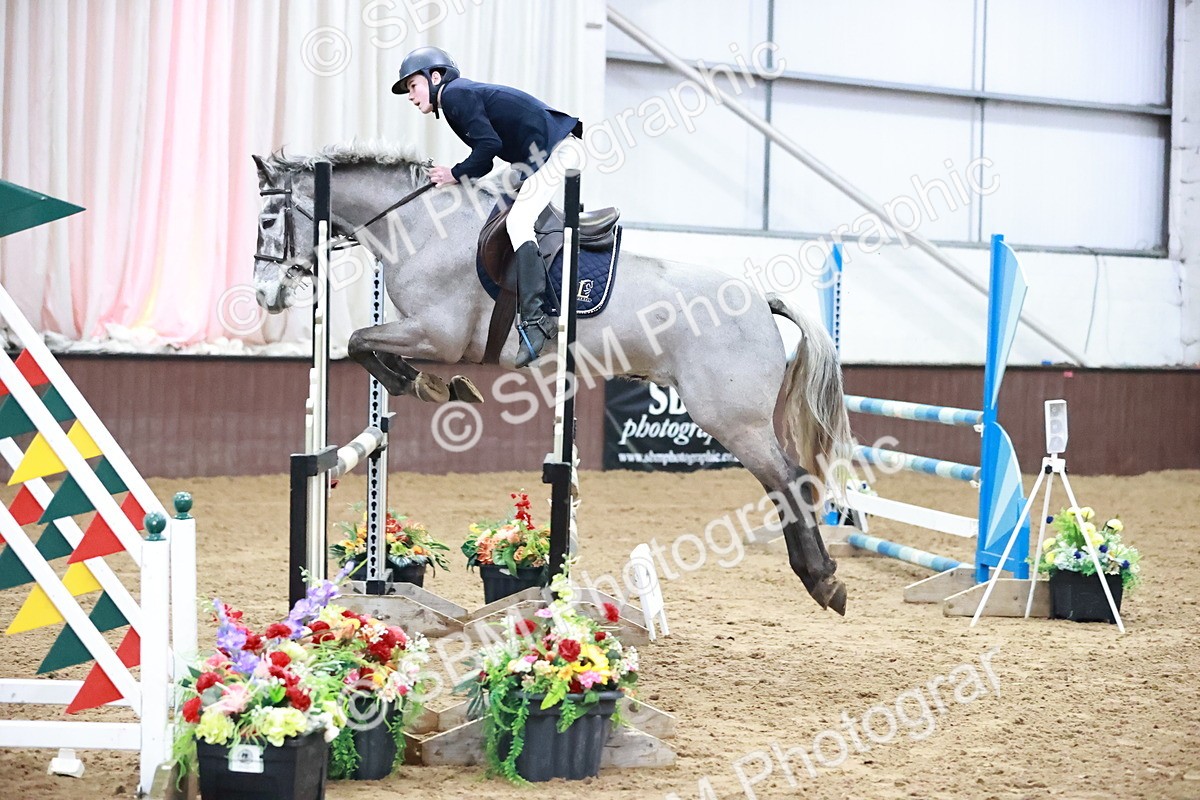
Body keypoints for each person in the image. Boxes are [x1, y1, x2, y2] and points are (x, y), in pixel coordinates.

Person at [393, 46, 584, 367]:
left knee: (518, 222)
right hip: (534, 158)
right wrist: (458, 175)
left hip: (559, 151)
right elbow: (484, 161)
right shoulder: (455, 98)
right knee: (488, 200)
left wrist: (453, 173)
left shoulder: (454, 96)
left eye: (413, 86)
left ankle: (537, 320)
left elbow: (488, 147)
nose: (411, 96)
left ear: (434, 76)